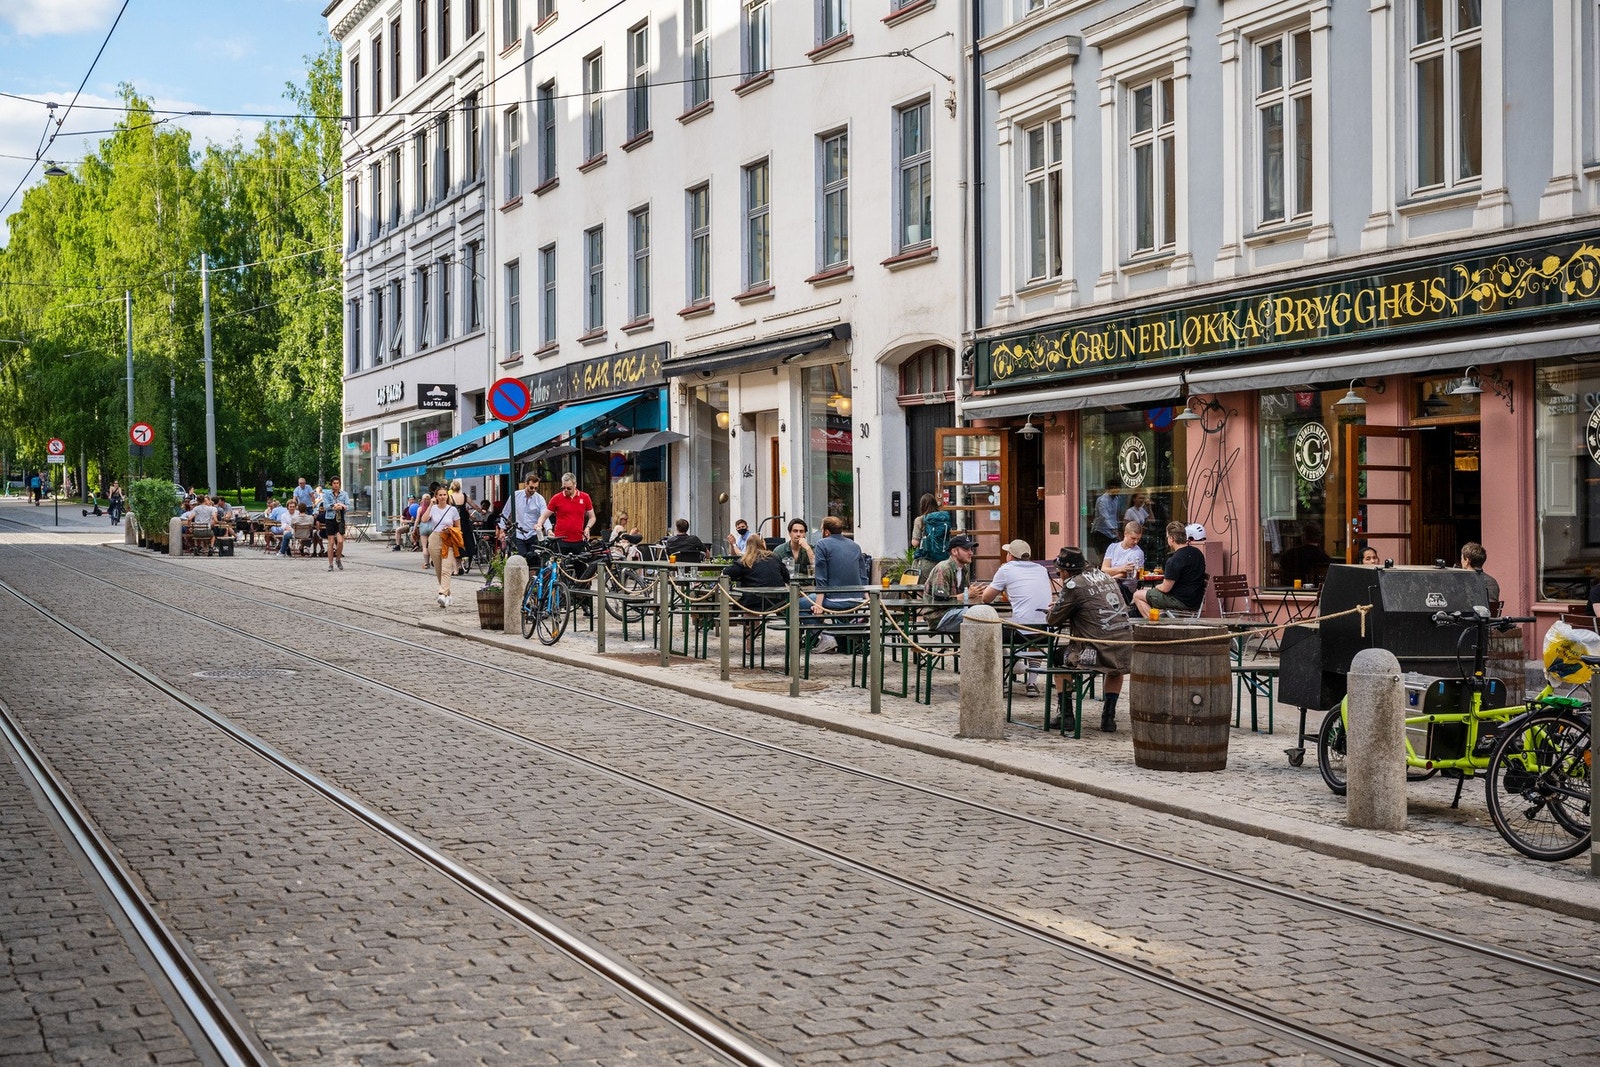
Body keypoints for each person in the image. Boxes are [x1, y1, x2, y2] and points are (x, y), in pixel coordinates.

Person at [1047, 547, 1134, 732]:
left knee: (1057, 657)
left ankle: (1066, 715)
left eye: (1059, 573)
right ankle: (1108, 718)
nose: (1059, 576)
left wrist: (1057, 608)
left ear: (1066, 571)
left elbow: (1053, 620)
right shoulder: (1106, 577)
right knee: (1115, 669)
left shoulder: (1073, 585)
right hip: (1124, 646)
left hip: (1094, 652)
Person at [978, 539, 1056, 695]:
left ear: (1010, 556)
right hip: (1046, 631)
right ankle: (1032, 683)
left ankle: (1005, 676)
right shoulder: (1041, 569)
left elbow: (986, 598)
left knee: (992, 632)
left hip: (1020, 632)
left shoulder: (1006, 570)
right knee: (1034, 634)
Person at [803, 516, 867, 653]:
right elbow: (863, 575)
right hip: (857, 599)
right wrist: (867, 599)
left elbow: (821, 577)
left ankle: (825, 635)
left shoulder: (822, 544)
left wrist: (818, 605)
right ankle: (849, 625)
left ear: (826, 531)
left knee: (799, 604)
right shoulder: (855, 545)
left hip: (834, 599)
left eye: (821, 529)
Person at [1132, 521, 1207, 618]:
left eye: (1167, 537)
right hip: (1195, 601)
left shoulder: (1174, 560)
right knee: (1149, 594)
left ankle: (1154, 623)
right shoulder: (1197, 553)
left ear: (1172, 539)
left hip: (1180, 601)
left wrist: (1156, 587)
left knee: (1137, 595)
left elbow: (1165, 588)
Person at [925, 533, 978, 636]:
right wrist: (966, 595)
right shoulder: (943, 568)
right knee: (976, 617)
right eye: (966, 549)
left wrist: (977, 595)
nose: (971, 553)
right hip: (939, 617)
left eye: (971, 549)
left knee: (984, 613)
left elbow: (967, 596)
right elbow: (939, 600)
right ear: (954, 551)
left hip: (956, 612)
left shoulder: (964, 570)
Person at [722, 538, 787, 613]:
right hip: (778, 602)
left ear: (747, 547)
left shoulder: (745, 560)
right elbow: (787, 576)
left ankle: (747, 621)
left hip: (753, 602)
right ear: (763, 545)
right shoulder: (774, 557)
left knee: (736, 605)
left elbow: (726, 573)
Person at [539, 472, 595, 554]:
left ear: (575, 485)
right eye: (563, 487)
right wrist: (539, 524)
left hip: (578, 540)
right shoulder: (556, 498)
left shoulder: (585, 497)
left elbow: (592, 517)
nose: (566, 490)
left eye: (569, 488)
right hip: (560, 540)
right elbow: (544, 515)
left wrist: (587, 528)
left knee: (579, 561)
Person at [499, 472, 548, 562]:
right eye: (531, 487)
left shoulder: (539, 499)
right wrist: (502, 529)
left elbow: (545, 515)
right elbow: (505, 512)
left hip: (533, 534)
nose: (533, 490)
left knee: (533, 560)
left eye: (536, 488)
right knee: (521, 559)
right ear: (526, 484)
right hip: (519, 534)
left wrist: (549, 530)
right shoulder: (515, 495)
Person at [428, 488, 463, 607]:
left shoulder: (452, 510)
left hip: (448, 539)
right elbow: (424, 519)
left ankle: (442, 594)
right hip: (435, 538)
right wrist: (430, 505)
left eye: (444, 494)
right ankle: (448, 595)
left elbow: (458, 527)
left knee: (446, 569)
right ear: (436, 496)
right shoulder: (433, 508)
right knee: (438, 569)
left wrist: (450, 529)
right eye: (440, 495)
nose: (443, 497)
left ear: (447, 496)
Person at [1101, 520, 1146, 604]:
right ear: (1125, 534)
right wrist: (1122, 569)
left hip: (1125, 589)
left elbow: (1126, 574)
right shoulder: (1112, 547)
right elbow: (1104, 569)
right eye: (1133, 538)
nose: (1136, 542)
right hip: (1110, 585)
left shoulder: (1138, 553)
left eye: (1138, 539)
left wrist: (1109, 580)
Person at [1277, 522, 1332, 587]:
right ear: (1319, 538)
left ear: (1303, 536)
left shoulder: (1290, 554)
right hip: (1315, 590)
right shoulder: (1324, 557)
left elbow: (1282, 569)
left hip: (1292, 589)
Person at [910, 493, 953, 575]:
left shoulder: (920, 520)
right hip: (943, 560)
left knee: (923, 583)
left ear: (922, 505)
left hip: (926, 560)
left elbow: (915, 543)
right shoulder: (943, 519)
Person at [319, 476, 352, 570]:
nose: (336, 485)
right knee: (331, 541)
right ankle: (330, 564)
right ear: (331, 484)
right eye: (334, 483)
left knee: (340, 541)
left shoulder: (344, 494)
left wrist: (341, 506)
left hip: (340, 519)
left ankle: (338, 559)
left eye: (337, 483)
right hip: (330, 518)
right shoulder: (327, 494)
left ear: (339, 484)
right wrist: (334, 506)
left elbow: (348, 506)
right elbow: (325, 506)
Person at [446, 478, 476, 577]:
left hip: (455, 524)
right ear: (459, 487)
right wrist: (480, 511)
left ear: (451, 488)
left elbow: (446, 510)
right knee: (466, 542)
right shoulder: (464, 496)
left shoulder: (450, 498)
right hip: (465, 523)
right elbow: (473, 505)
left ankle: (456, 569)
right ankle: (461, 564)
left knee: (454, 545)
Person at [1090, 482, 1122, 559]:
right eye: (1115, 490)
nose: (1117, 492)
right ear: (1109, 489)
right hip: (1101, 532)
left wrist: (1117, 528)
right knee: (1103, 557)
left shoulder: (1116, 499)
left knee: (1112, 556)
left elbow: (1115, 516)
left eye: (1118, 490)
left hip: (1112, 533)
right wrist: (1114, 529)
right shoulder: (1102, 500)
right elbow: (1105, 517)